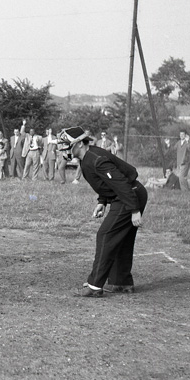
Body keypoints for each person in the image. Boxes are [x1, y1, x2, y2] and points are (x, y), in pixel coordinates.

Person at [57, 126, 148, 297]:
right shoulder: (87, 158)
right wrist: (102, 201)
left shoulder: (95, 159)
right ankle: (121, 282)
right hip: (127, 195)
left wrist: (134, 210)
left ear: (79, 144)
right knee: (121, 239)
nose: (63, 148)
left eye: (66, 144)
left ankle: (95, 285)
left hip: (129, 195)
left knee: (106, 235)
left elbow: (121, 183)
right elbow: (106, 183)